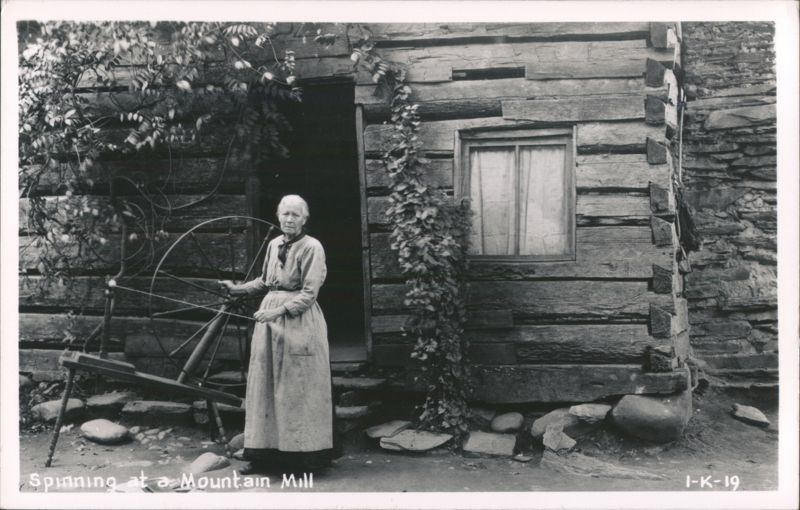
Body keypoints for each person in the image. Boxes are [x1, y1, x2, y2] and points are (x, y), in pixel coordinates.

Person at [219, 194, 336, 473]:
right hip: (269, 323)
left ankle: (303, 459)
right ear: (278, 216)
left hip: (298, 321)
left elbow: (309, 293)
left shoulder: (312, 247)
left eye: (296, 214)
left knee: (296, 388)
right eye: (285, 214)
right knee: (266, 386)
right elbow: (265, 281)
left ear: (305, 219)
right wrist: (238, 289)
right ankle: (263, 457)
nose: (289, 219)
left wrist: (277, 312)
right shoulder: (274, 244)